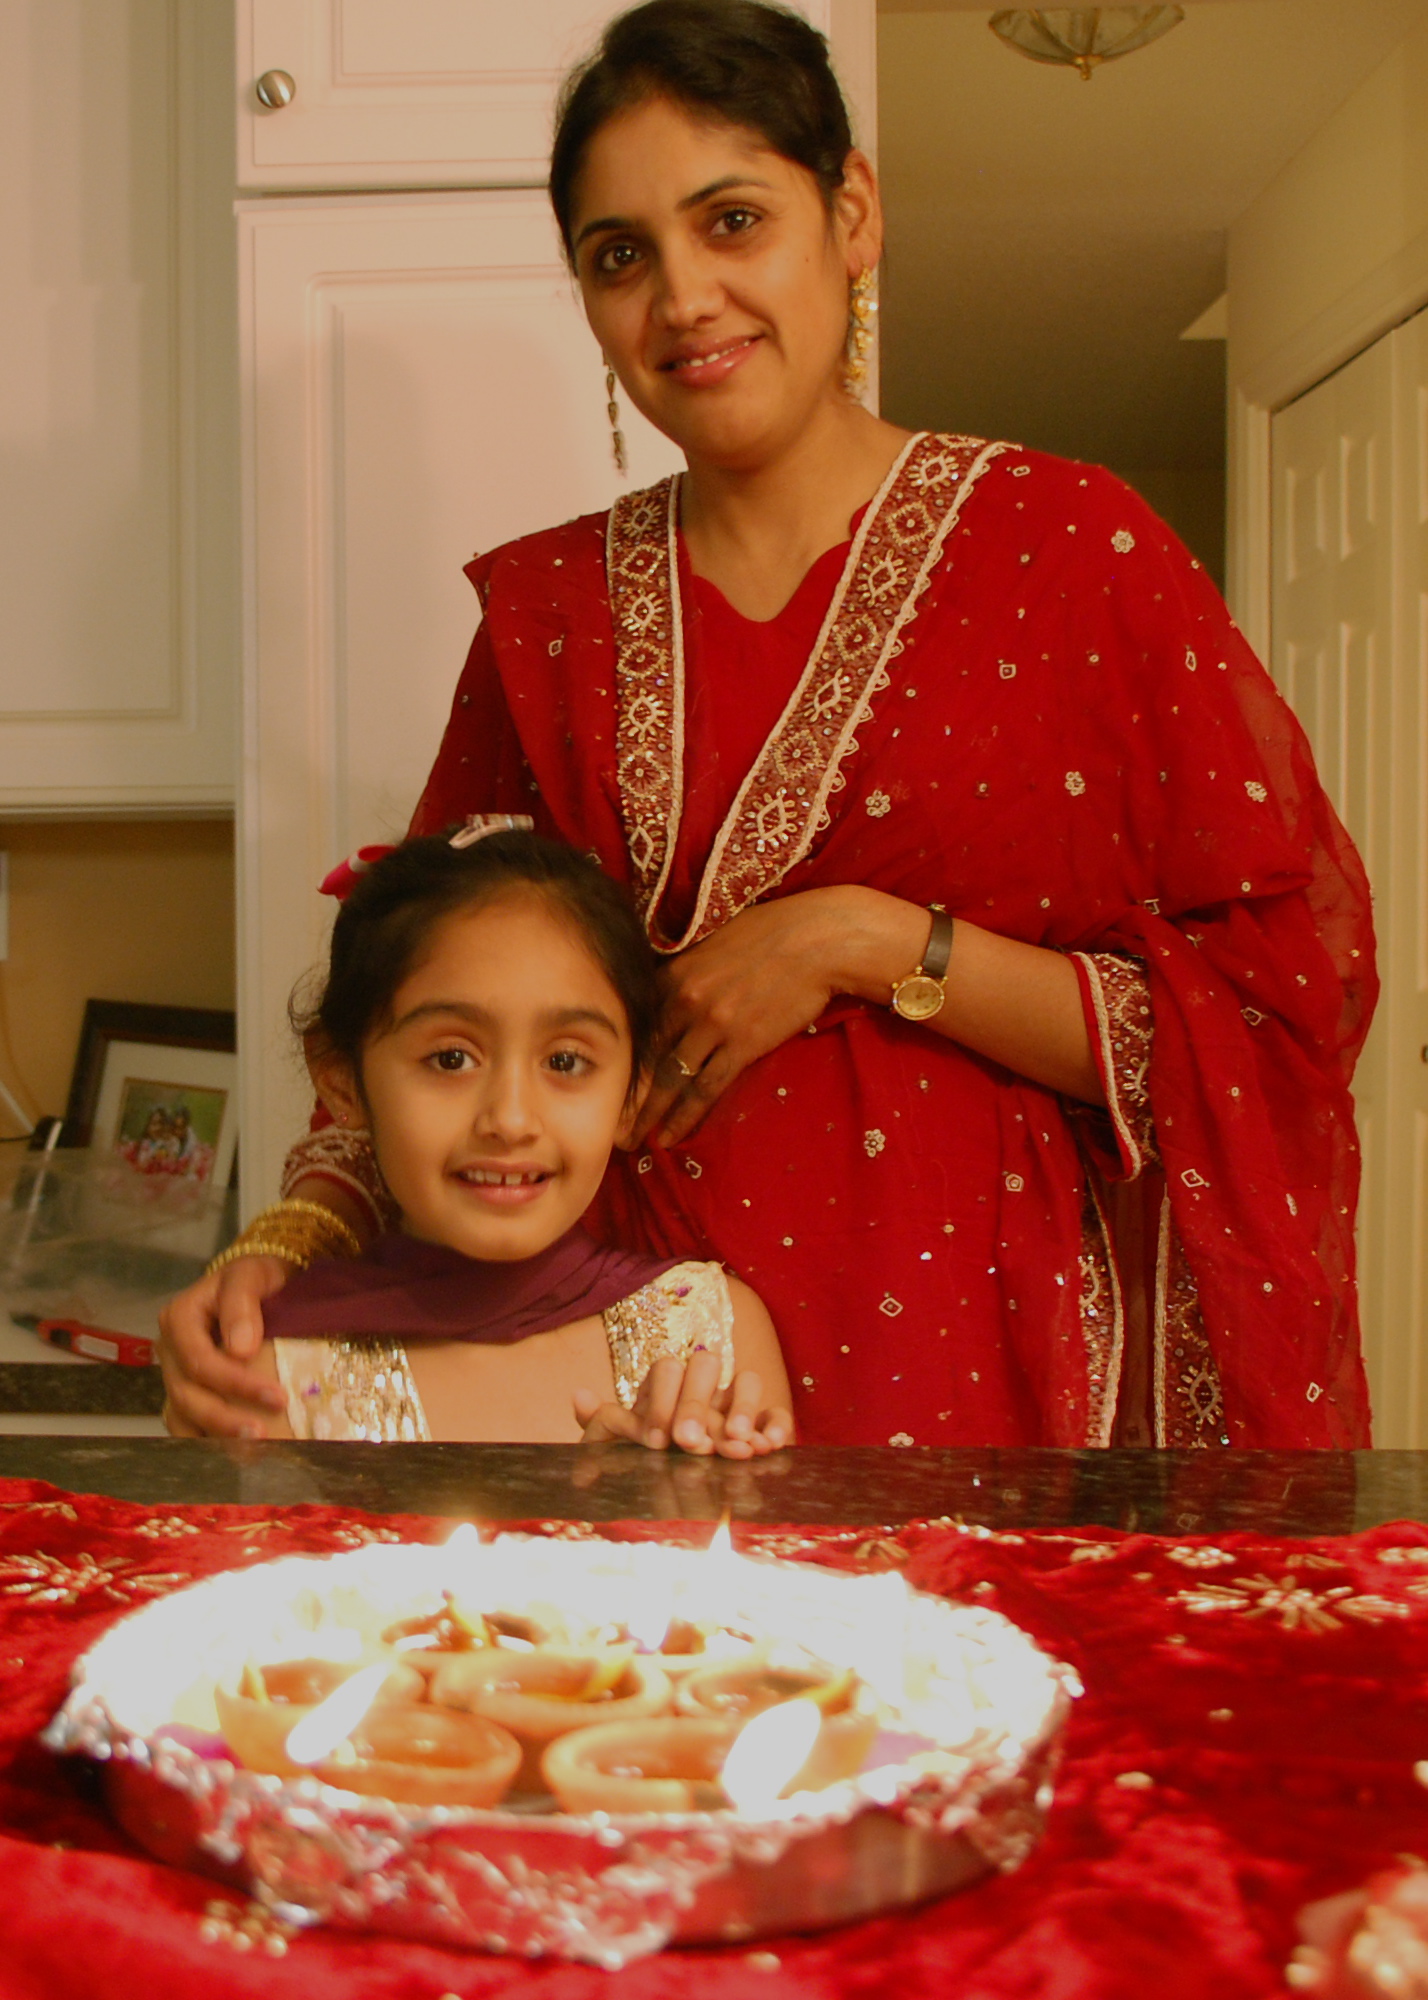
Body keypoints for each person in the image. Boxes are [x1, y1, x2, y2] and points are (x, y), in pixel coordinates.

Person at [161, 0, 1375, 1453]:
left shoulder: (1073, 550)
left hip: (988, 1368)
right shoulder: (550, 614)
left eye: (731, 220)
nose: (683, 298)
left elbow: (1274, 1007)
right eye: (622, 257)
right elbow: (423, 1006)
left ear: (851, 214)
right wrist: (276, 1247)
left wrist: (867, 941)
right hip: (624, 1387)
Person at [232, 824, 791, 1453]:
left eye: (565, 1062)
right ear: (341, 1082)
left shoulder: (710, 1336)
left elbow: (749, 1550)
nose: (511, 1119)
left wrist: (684, 1500)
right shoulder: (270, 1370)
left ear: (633, 1094)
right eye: (451, 1059)